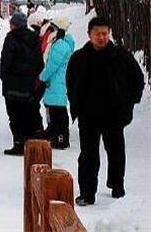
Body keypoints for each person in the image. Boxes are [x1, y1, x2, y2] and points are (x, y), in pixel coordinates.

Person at [66, 17, 144, 206]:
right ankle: (87, 192)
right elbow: (71, 82)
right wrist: (76, 103)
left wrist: (129, 102)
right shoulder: (80, 58)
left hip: (114, 115)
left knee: (116, 152)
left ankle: (117, 185)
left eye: (105, 33)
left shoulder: (121, 56)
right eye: (98, 34)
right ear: (89, 35)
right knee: (88, 155)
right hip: (88, 115)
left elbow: (138, 80)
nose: (102, 37)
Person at [0, 11, 45, 156]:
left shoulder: (11, 38)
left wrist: (4, 78)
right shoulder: (35, 38)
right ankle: (36, 144)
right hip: (30, 84)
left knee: (15, 115)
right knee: (31, 112)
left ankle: (19, 144)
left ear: (14, 25)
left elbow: (5, 61)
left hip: (13, 85)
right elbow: (39, 61)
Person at [38, 16, 75, 150]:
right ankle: (57, 136)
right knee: (56, 112)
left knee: (58, 112)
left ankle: (61, 138)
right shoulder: (60, 43)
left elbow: (52, 65)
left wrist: (42, 77)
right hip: (56, 83)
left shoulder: (60, 45)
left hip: (56, 82)